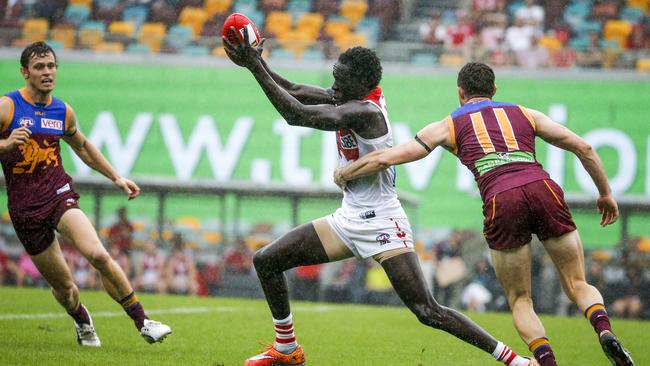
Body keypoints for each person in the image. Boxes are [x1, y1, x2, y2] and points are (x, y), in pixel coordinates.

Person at [224, 31, 536, 366]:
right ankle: (287, 348)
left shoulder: (365, 112)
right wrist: (255, 63)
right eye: (333, 78)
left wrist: (256, 67)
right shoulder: (352, 96)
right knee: (266, 261)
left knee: (426, 310)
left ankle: (516, 361)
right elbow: (298, 92)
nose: (334, 87)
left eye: (340, 81)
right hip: (349, 218)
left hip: (383, 221)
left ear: (361, 83)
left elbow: (297, 114)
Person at [334, 62, 635, 366]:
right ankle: (604, 330)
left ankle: (547, 363)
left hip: (500, 198)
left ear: (460, 93)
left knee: (520, 300)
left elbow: (387, 157)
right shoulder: (525, 113)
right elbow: (583, 147)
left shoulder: (447, 125)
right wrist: (606, 194)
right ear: (494, 91)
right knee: (577, 283)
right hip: (544, 188)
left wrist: (347, 171)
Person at [0, 41, 171, 346]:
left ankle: (143, 321)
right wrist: (6, 145)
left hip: (58, 195)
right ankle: (81, 318)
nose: (47, 72)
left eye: (51, 66)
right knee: (65, 289)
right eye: (39, 67)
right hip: (25, 209)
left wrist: (117, 177)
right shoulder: (7, 107)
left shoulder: (62, 111)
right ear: (24, 72)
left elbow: (83, 147)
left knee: (97, 253)